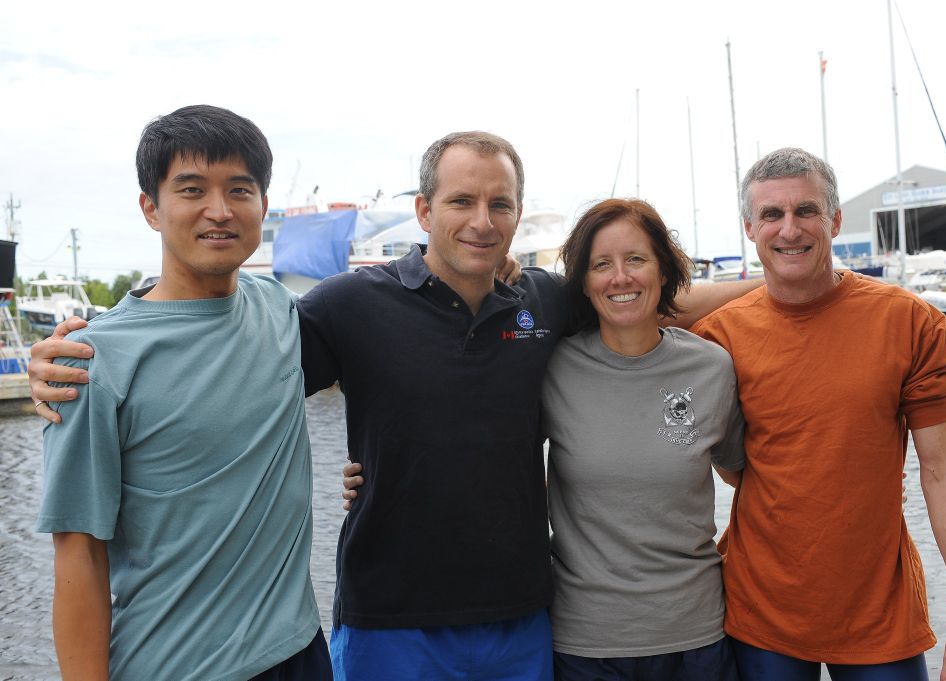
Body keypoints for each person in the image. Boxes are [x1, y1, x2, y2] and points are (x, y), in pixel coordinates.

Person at [31, 130, 758, 680]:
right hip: (390, 619)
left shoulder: (542, 300)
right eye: (461, 201)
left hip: (524, 614)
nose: (481, 219)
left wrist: (786, 287)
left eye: (498, 203)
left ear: (516, 214)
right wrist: (85, 346)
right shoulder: (350, 305)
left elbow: (642, 297)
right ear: (423, 210)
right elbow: (226, 353)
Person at [34, 105, 331, 680]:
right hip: (175, 666)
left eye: (239, 190)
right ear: (151, 207)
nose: (219, 211)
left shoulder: (278, 309)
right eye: (192, 189)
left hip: (298, 650)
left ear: (263, 206)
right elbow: (78, 558)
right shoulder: (89, 363)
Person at [690, 147, 946, 681]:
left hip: (880, 612)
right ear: (748, 227)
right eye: (771, 215)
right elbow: (633, 301)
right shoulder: (718, 337)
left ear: (834, 219)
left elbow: (942, 469)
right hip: (761, 612)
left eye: (806, 210)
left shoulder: (907, 322)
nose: (790, 229)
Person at [543, 198, 745, 680]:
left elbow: (749, 478)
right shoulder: (551, 367)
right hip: (585, 642)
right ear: (584, 281)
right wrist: (373, 474)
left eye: (636, 259)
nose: (620, 278)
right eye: (601, 265)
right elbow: (482, 446)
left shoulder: (712, 367)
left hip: (696, 636)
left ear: (663, 269)